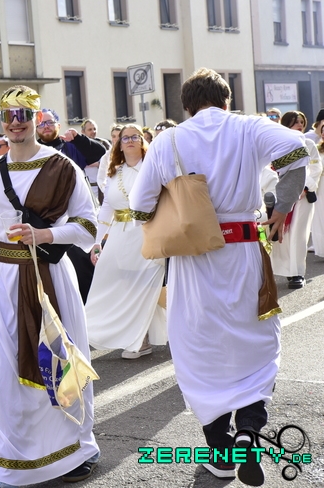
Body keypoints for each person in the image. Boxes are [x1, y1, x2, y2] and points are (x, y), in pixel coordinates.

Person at [129, 68, 307, 485]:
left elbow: (140, 206)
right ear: (227, 101)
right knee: (254, 344)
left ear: (187, 107)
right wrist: (281, 208)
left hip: (194, 258)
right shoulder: (248, 127)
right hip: (245, 251)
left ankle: (222, 451)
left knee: (199, 349)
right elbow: (297, 151)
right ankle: (249, 430)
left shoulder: (170, 139)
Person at [0, 86, 100, 486]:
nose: (16, 123)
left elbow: (89, 228)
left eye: (24, 115)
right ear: (1, 121)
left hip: (52, 278)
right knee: (7, 373)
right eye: (9, 116)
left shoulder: (64, 167)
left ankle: (78, 449)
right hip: (6, 281)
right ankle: (8, 463)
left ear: (36, 118)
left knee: (61, 360)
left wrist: (44, 235)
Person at [84, 124, 167, 359]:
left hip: (148, 232)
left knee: (147, 285)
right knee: (120, 283)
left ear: (142, 141)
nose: (130, 140)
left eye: (134, 137)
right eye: (125, 138)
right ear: (119, 145)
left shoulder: (154, 168)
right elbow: (107, 209)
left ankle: (142, 338)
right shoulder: (115, 172)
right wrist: (98, 242)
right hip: (120, 235)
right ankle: (125, 334)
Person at [270, 111, 321, 289]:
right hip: (280, 196)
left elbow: (315, 169)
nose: (299, 125)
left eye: (301, 121)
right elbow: (269, 170)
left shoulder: (309, 144)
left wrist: (305, 188)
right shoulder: (276, 144)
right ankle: (284, 269)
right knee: (282, 235)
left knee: (299, 233)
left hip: (302, 197)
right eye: (294, 122)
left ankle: (297, 272)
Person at [36, 109, 106, 169]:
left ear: (59, 126)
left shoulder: (72, 147)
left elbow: (100, 152)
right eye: (41, 124)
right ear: (36, 128)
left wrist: (78, 138)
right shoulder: (32, 152)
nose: (46, 126)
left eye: (50, 122)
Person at [95, 124, 123, 204]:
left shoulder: (130, 154)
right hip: (112, 196)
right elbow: (101, 178)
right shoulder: (106, 157)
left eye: (119, 136)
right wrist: (107, 191)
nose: (116, 139)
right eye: (114, 136)